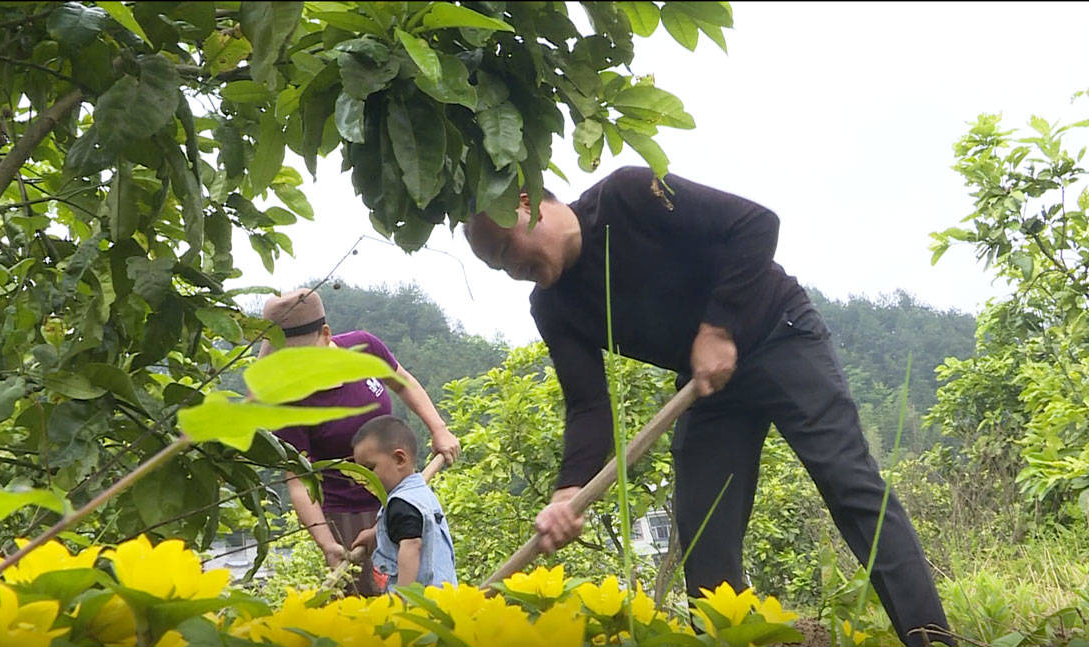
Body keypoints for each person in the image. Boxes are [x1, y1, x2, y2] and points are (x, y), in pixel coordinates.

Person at [463, 166, 953, 646]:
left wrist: (718, 327)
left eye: (505, 250)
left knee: (850, 486)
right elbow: (589, 405)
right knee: (704, 538)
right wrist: (567, 492)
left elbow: (755, 224)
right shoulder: (551, 307)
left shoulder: (627, 195)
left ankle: (932, 639)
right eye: (496, 266)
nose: (510, 271)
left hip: (778, 333)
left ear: (524, 203)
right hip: (707, 386)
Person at [261, 288, 459, 596]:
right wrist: (328, 544)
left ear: (325, 334)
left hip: (404, 491)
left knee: (429, 575)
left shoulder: (364, 348)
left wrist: (439, 429)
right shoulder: (289, 402)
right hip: (349, 516)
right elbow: (299, 482)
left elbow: (402, 382)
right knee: (375, 599)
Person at [350, 415, 457, 591]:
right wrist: (375, 533)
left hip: (419, 604)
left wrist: (403, 597)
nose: (364, 479)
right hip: (443, 594)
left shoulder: (401, 504)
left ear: (400, 459)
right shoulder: (419, 493)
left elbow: (411, 546)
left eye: (370, 469)